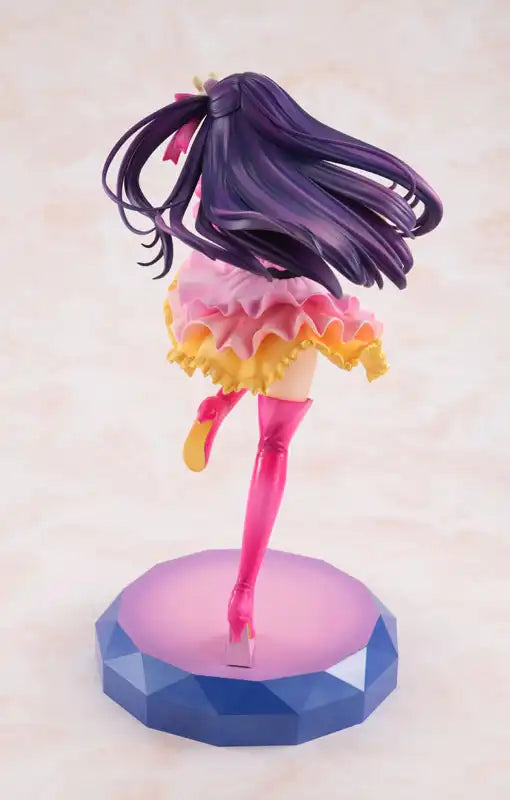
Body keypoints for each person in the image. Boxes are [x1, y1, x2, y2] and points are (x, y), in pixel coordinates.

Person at [102, 72, 443, 660]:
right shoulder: (291, 185)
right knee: (275, 443)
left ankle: (218, 403)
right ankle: (243, 593)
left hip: (235, 302)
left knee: (253, 364)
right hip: (291, 312)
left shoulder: (219, 178)